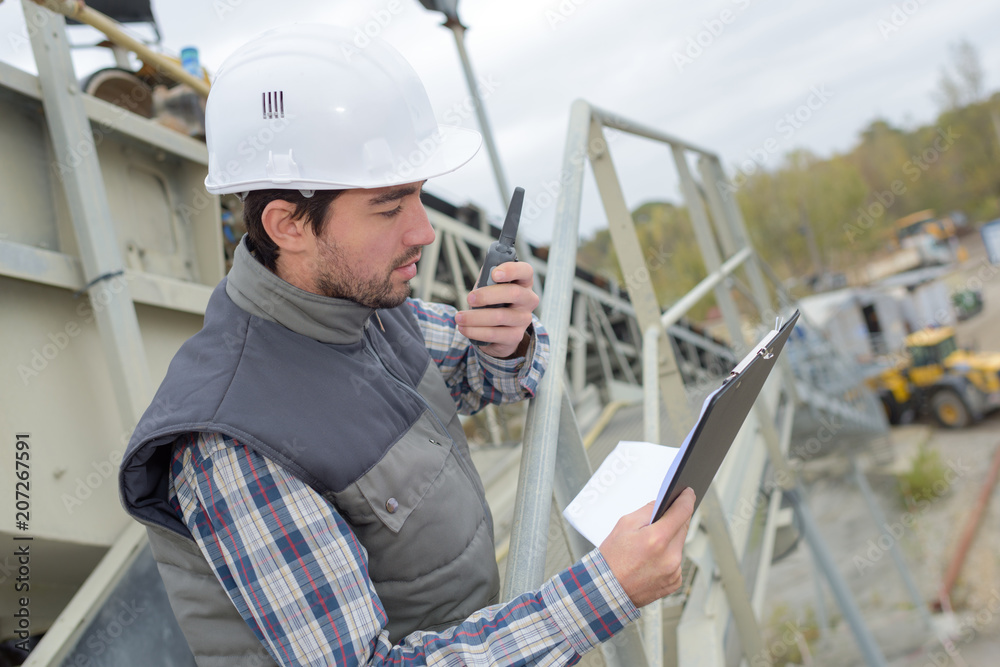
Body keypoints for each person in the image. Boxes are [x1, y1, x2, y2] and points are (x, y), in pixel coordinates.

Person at [118, 23, 695, 666]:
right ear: (288, 225)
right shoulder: (234, 442)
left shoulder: (364, 307)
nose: (423, 231)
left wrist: (507, 342)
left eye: (419, 195)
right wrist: (603, 593)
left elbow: (487, 377)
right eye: (391, 207)